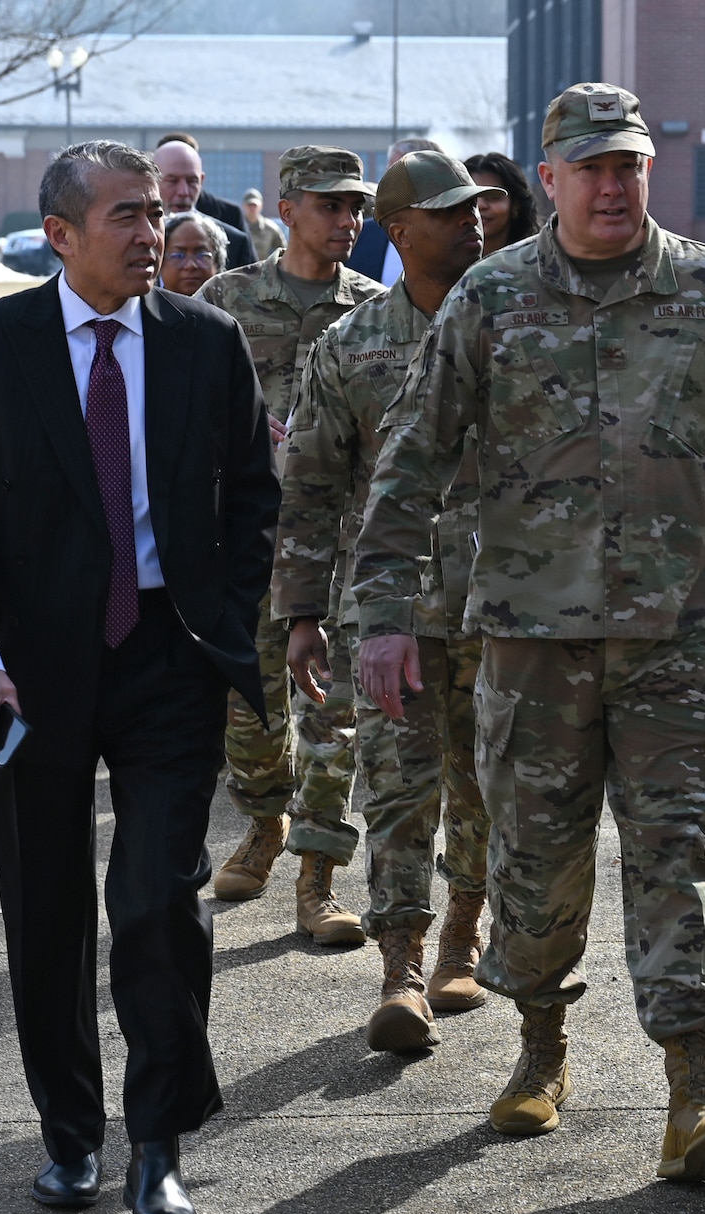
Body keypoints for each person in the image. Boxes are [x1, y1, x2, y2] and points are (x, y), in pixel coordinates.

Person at [350, 85, 705, 1183]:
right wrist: (381, 614)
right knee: (535, 861)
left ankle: (693, 1094)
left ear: (647, 172)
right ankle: (539, 1048)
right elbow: (410, 455)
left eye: (629, 166)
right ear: (546, 180)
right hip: (531, 641)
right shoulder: (491, 297)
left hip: (676, 637)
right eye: (590, 168)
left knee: (675, 858)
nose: (612, 186)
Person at [0, 140, 278, 1214]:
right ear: (57, 236)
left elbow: (253, 496)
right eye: (120, 216)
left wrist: (226, 614)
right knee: (47, 907)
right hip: (25, 671)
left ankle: (157, 1146)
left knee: (157, 903)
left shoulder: (206, 342)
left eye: (149, 215)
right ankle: (70, 1132)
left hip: (166, 657)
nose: (147, 233)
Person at [273, 152, 502, 1053]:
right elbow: (313, 484)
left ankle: (462, 936)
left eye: (476, 207)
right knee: (399, 791)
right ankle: (400, 967)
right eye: (447, 211)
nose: (471, 220)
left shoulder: (517, 325)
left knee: (483, 788)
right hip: (389, 611)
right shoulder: (353, 343)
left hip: (501, 605)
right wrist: (301, 611)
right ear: (399, 230)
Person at [197, 146, 384, 944]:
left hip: (343, 544)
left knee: (331, 715)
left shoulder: (377, 306)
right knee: (249, 714)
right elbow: (179, 409)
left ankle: (318, 878)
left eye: (357, 209)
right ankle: (266, 822)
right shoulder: (227, 298)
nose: (349, 221)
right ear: (291, 207)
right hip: (250, 541)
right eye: (334, 205)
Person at [343, 136, 442, 285]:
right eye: (389, 173)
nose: (390, 182)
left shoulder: (454, 235)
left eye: (401, 174)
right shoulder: (363, 235)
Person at [153, 135, 257, 269]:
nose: (183, 191)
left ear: (202, 180)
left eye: (192, 181)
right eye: (172, 181)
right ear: (153, 181)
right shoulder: (138, 237)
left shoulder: (234, 243)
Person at [464, 151, 540, 255]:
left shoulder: (538, 262)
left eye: (493, 197)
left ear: (515, 206)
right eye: (471, 198)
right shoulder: (444, 265)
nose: (480, 205)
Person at [161, 209, 227, 297]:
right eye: (179, 256)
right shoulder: (141, 308)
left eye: (202, 255)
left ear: (217, 263)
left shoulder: (234, 309)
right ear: (161, 262)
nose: (191, 266)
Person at [241, 188, 286, 259]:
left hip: (263, 268)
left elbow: (283, 250)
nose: (252, 208)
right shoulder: (238, 227)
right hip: (241, 269)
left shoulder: (271, 228)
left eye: (254, 205)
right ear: (243, 206)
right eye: (249, 205)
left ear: (261, 206)